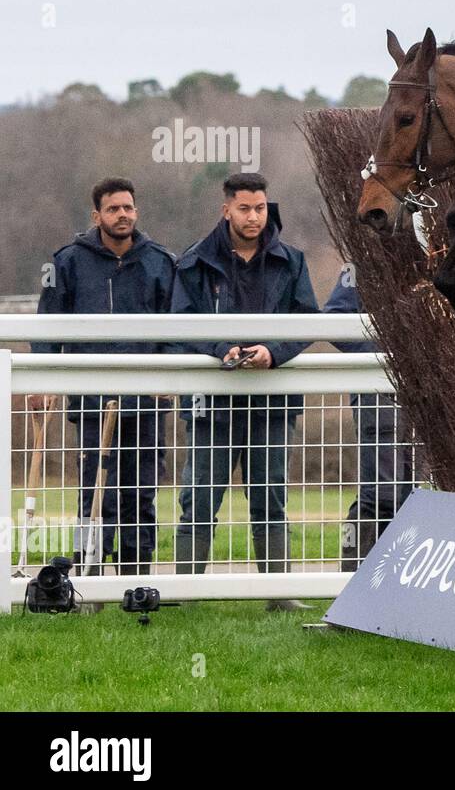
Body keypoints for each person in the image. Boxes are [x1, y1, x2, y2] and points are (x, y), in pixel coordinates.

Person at [170, 173, 318, 611]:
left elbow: (309, 322)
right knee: (199, 496)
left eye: (260, 208)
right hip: (212, 401)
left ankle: (279, 595)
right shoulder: (195, 261)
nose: (253, 217)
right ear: (226, 210)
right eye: (244, 209)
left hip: (272, 401)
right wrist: (221, 350)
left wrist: (273, 353)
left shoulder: (291, 261)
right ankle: (185, 595)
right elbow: (180, 324)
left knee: (270, 494)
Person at [31, 177, 175, 577]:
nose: (123, 214)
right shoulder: (67, 262)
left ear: (137, 211)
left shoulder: (161, 262)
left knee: (141, 493)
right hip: (92, 401)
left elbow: (178, 327)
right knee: (94, 494)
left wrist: (169, 376)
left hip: (146, 402)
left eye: (128, 207)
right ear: (97, 215)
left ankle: (135, 575)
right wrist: (43, 382)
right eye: (114, 208)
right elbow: (48, 326)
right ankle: (89, 573)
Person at [323, 269, 414, 571]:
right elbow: (336, 320)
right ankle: (352, 582)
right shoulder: (361, 263)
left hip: (422, 391)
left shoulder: (432, 253)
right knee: (380, 492)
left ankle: (392, 580)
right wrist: (385, 357)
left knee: (409, 492)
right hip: (377, 390)